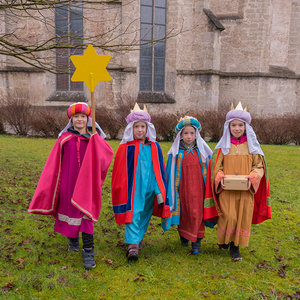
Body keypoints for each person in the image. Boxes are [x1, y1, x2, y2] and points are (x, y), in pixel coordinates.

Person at [28, 102, 113, 269]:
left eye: (83, 116)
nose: (79, 119)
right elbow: (54, 162)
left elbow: (106, 156)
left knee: (86, 213)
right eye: (76, 117)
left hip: (87, 183)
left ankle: (88, 250)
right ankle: (72, 239)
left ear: (88, 119)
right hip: (69, 181)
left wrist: (97, 142)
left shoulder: (94, 138)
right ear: (71, 120)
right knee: (69, 211)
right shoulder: (64, 139)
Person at [204, 102, 271, 261]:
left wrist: (252, 177)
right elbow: (216, 167)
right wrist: (220, 177)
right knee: (228, 216)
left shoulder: (252, 147)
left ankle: (235, 247)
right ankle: (224, 241)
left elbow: (258, 166)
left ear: (246, 127)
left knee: (242, 216)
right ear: (228, 127)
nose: (237, 128)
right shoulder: (222, 147)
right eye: (233, 125)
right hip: (226, 189)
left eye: (240, 125)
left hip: (246, 190)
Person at [111, 103, 171, 261]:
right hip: (132, 188)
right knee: (133, 213)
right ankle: (132, 246)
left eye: (142, 127)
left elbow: (159, 168)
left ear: (147, 128)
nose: (139, 130)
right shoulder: (126, 147)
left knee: (145, 213)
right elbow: (119, 170)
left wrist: (159, 189)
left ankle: (137, 238)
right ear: (131, 128)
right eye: (136, 127)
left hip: (150, 187)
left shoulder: (154, 146)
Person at [161, 116, 212, 254]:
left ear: (196, 135)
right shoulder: (176, 153)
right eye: (185, 133)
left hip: (199, 189)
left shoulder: (202, 152)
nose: (189, 136)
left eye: (192, 133)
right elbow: (170, 172)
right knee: (185, 212)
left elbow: (210, 169)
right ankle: (184, 235)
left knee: (197, 212)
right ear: (180, 135)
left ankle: (196, 242)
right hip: (182, 189)